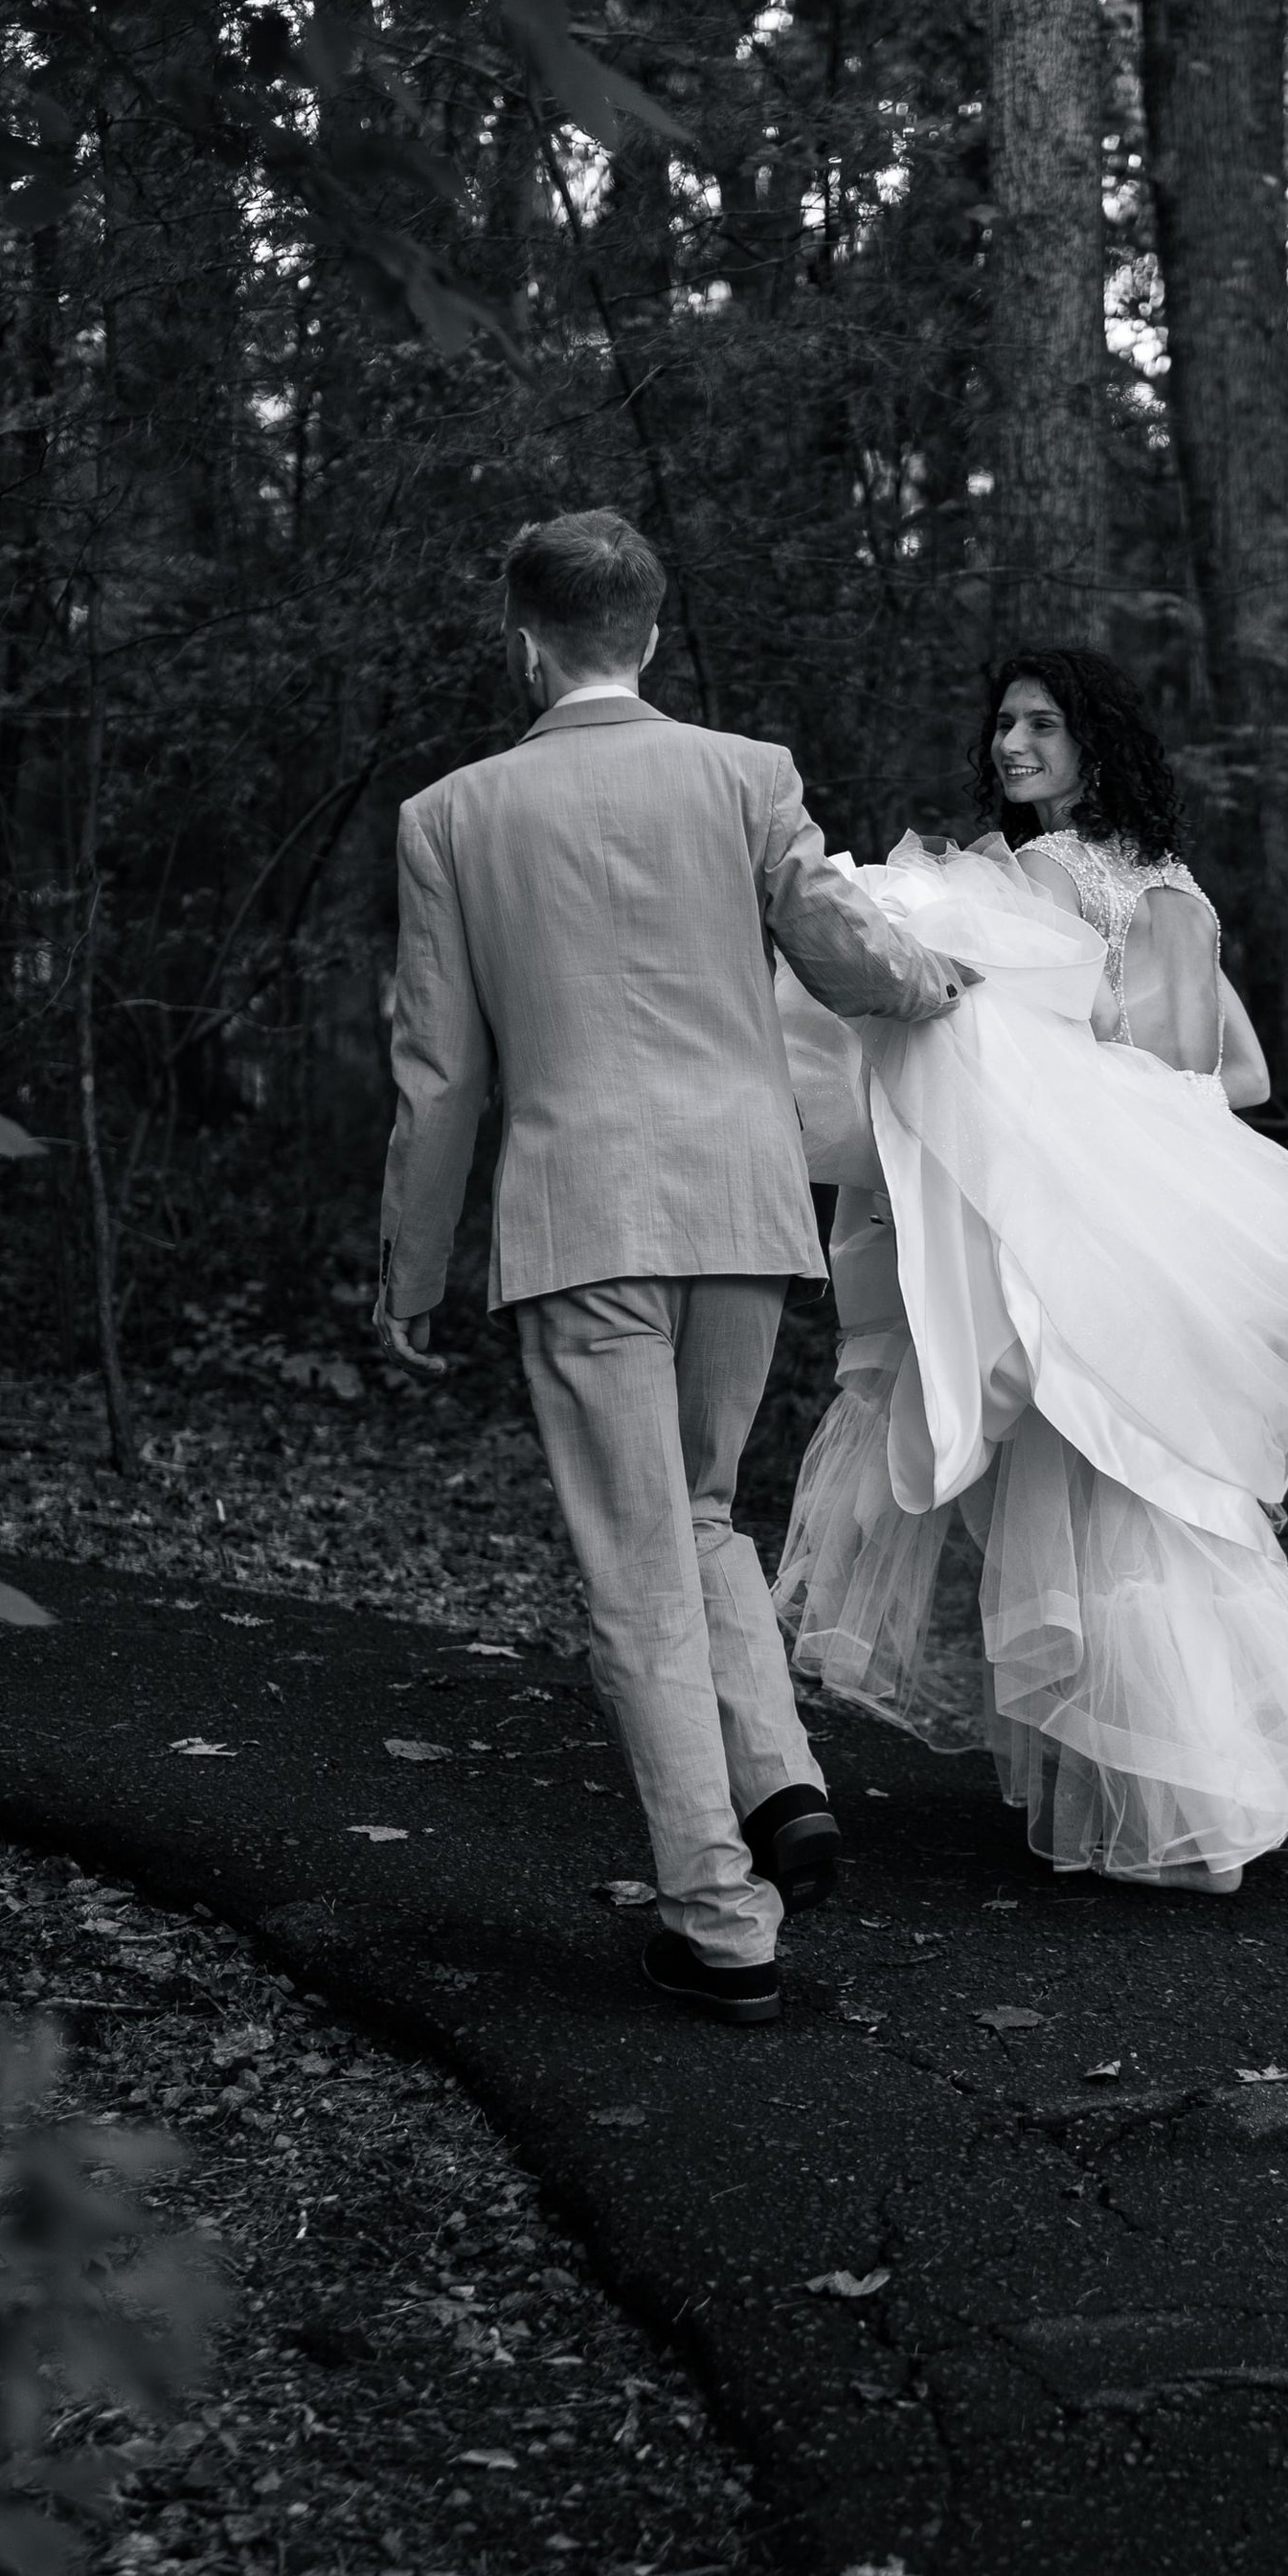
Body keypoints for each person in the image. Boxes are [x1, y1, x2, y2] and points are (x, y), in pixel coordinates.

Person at [373, 509, 978, 2023]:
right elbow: (846, 952)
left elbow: (437, 1074)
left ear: (526, 640)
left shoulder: (450, 815)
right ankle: (778, 1779)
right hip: (739, 1205)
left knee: (635, 1559)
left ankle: (720, 1916)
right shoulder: (745, 774)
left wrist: (409, 1270)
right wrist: (939, 976)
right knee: (699, 1514)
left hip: (579, 1220)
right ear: (646, 632)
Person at [773, 645, 1288, 1891]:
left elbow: (979, 1033)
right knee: (1162, 1494)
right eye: (1001, 726)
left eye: (1039, 724)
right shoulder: (1185, 893)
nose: (1009, 745)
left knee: (1090, 1488)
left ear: (1094, 742)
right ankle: (1190, 1789)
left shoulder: (1024, 872)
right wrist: (1144, 1119)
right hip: (1185, 1205)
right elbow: (1238, 1074)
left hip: (1093, 1210)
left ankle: (1126, 1800)